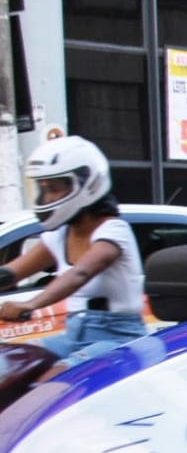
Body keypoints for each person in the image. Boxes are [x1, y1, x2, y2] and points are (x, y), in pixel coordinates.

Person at [0, 136, 146, 367]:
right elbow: (10, 273)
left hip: (119, 337)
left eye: (55, 189)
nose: (46, 198)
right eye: (43, 189)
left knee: (55, 383)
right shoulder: (59, 235)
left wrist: (31, 304)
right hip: (73, 335)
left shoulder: (114, 231)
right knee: (10, 365)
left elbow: (80, 274)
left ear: (87, 184)